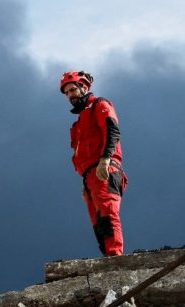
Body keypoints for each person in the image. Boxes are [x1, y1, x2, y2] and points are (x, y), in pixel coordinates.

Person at [61, 70, 128, 256]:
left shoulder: (100, 104)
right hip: (90, 175)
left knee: (108, 212)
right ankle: (108, 256)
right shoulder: (79, 122)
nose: (70, 96)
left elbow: (112, 130)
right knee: (97, 221)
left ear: (84, 87)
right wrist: (85, 182)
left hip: (105, 167)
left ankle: (115, 256)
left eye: (72, 90)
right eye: (66, 93)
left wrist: (105, 160)